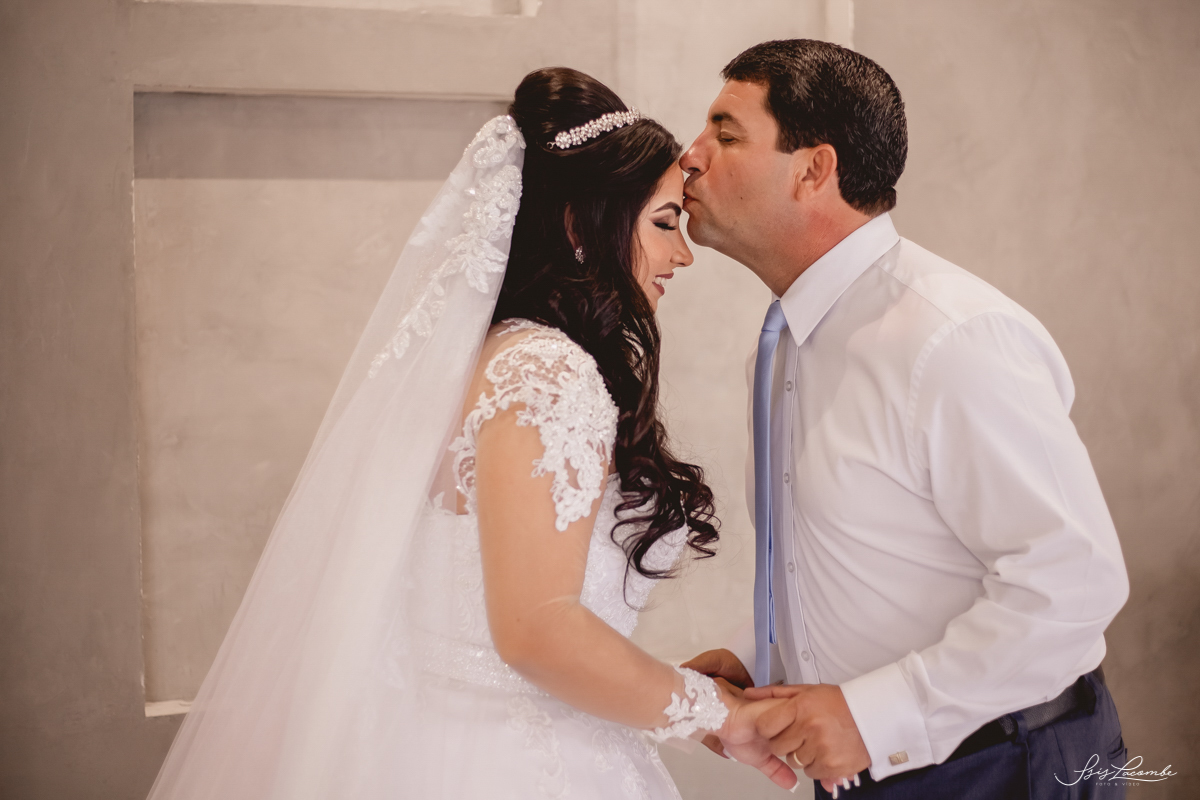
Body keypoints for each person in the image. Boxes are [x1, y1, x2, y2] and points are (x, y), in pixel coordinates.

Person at [144, 67, 798, 799]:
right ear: (580, 226)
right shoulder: (549, 375)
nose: (683, 254)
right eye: (664, 223)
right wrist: (716, 713)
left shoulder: (491, 356)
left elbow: (493, 631)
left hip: (438, 741)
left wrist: (676, 695)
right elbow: (536, 632)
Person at [681, 40, 1131, 799]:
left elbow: (1073, 581)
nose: (690, 156)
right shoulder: (780, 345)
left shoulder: (952, 337)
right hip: (867, 767)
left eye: (725, 135)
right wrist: (762, 655)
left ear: (813, 170)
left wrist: (878, 715)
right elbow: (857, 557)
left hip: (1005, 765)